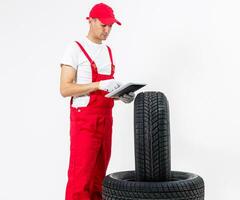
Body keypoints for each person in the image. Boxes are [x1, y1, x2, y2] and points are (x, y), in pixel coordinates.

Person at [59, 3, 135, 200]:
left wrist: (121, 95)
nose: (107, 30)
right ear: (91, 20)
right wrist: (98, 85)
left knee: (98, 181)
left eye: (111, 26)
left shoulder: (108, 51)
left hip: (105, 120)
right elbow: (65, 89)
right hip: (84, 122)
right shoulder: (75, 49)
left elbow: (106, 90)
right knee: (80, 180)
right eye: (103, 25)